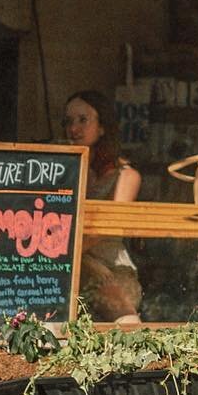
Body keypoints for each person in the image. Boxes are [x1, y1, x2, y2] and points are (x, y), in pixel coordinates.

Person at [63, 90, 143, 323]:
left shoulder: (125, 175)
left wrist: (70, 253)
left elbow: (109, 227)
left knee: (126, 320)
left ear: (102, 127)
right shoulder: (64, 171)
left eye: (83, 120)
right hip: (71, 265)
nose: (74, 128)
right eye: (68, 121)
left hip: (109, 267)